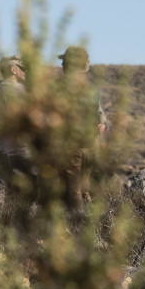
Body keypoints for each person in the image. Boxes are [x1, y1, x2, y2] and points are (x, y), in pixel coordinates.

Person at [55, 45, 107, 210]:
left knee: (72, 192)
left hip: (71, 146)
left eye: (64, 62)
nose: (62, 65)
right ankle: (89, 224)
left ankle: (77, 227)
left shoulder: (60, 87)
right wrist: (102, 125)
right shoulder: (92, 87)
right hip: (91, 145)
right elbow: (99, 114)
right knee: (84, 189)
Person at [0, 55, 35, 194]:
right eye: (22, 68)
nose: (25, 72)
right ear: (13, 70)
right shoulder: (26, 93)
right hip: (23, 148)